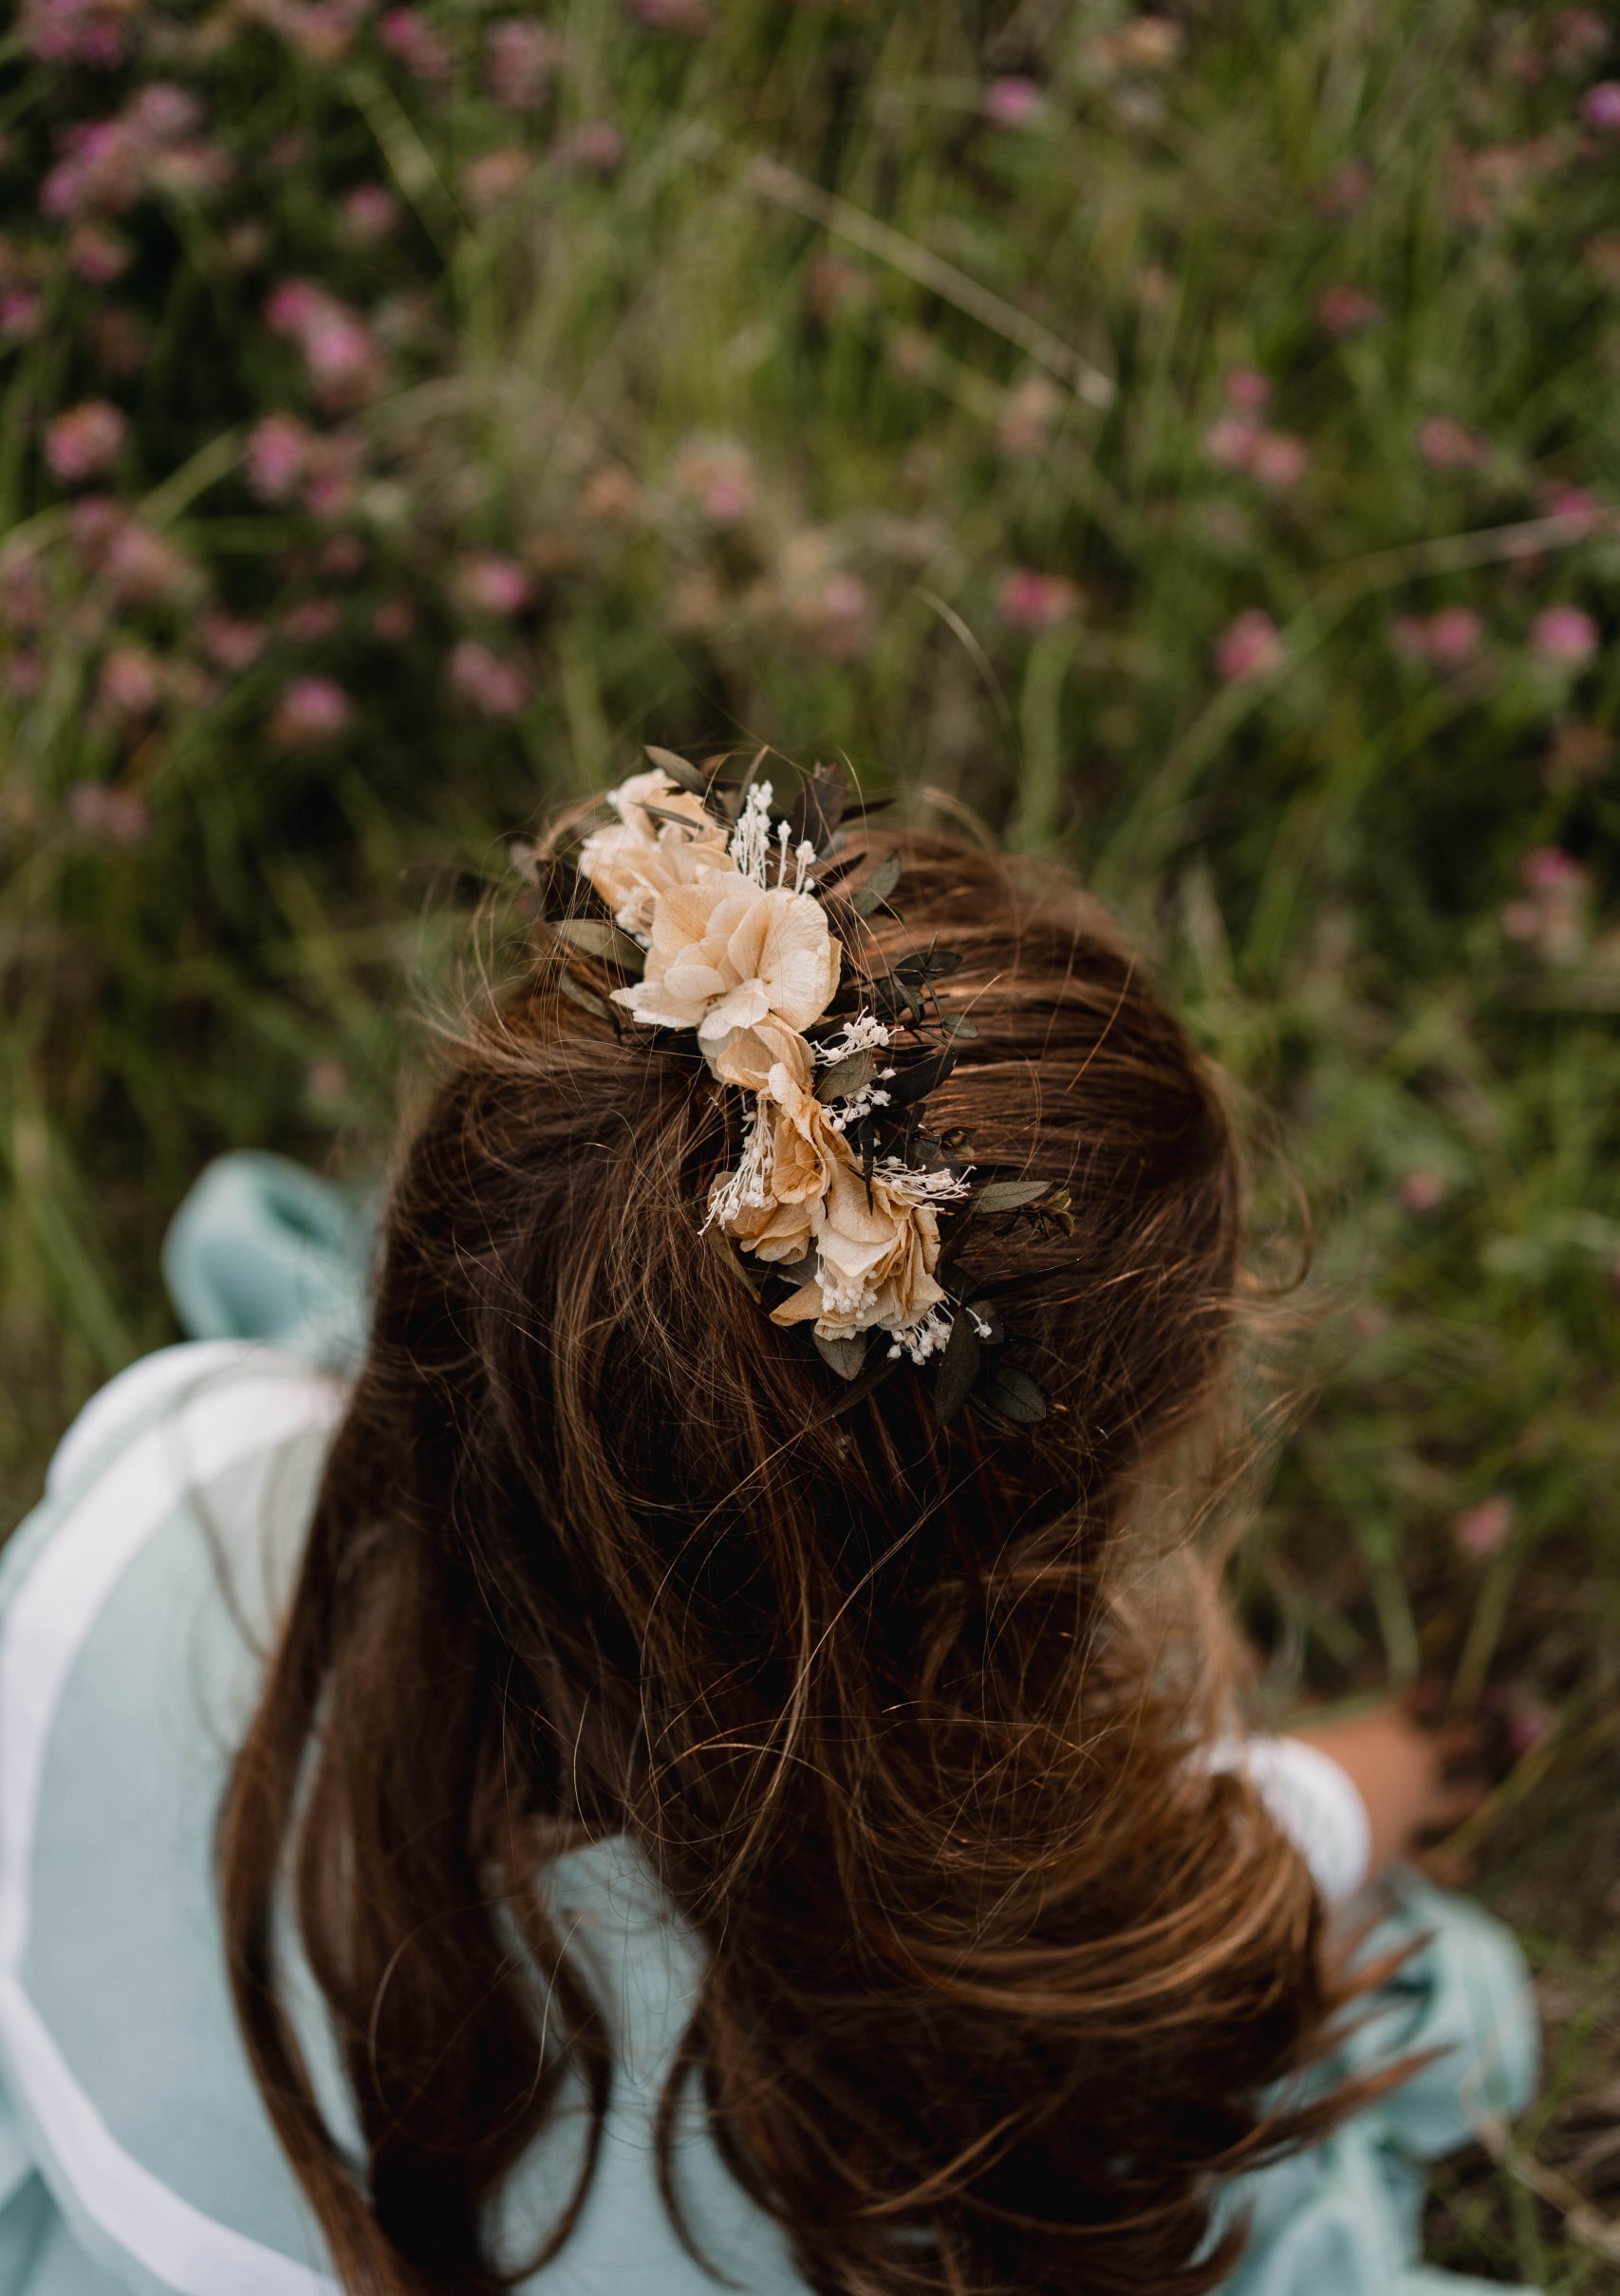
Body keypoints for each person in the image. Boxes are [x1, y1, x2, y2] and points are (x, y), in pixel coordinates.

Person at [0, 757, 1537, 2296]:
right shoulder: (896, 2078)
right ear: (982, 1577)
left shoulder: (165, 1478)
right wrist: (1363, 1789)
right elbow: (1168, 1928)